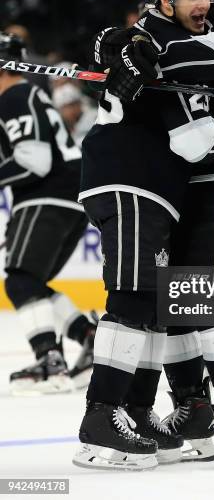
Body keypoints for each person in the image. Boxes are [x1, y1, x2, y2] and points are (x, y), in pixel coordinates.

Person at [74, 0, 214, 471]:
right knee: (140, 301)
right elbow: (122, 51)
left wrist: (136, 53)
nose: (207, 2)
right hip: (136, 178)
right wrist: (119, 47)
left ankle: (204, 411)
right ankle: (109, 418)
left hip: (173, 184)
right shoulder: (144, 36)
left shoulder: (191, 33)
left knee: (178, 301)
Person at [0, 32, 96, 395]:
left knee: (21, 281)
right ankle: (91, 336)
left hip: (48, 194)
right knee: (31, 282)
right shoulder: (25, 96)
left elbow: (33, 161)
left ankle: (49, 360)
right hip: (66, 195)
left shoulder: (14, 96)